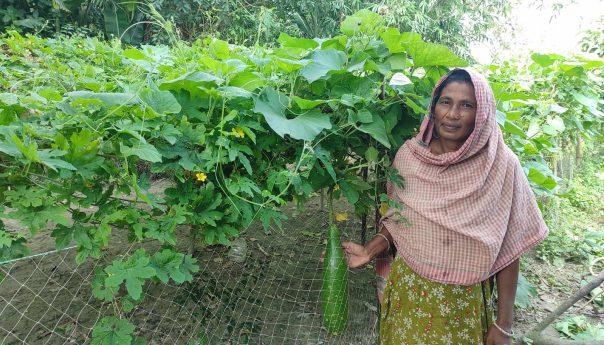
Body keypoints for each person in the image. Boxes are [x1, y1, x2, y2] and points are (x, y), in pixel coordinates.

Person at [342, 68, 548, 345]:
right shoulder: (410, 158)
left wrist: (504, 324)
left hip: (462, 306)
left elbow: (510, 248)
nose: (453, 114)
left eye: (467, 105)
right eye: (446, 102)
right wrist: (370, 249)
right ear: (433, 107)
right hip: (409, 294)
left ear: (482, 113)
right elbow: (399, 220)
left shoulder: (500, 165)